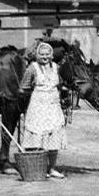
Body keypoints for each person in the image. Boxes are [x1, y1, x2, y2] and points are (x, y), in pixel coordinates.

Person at [19, 42, 67, 179]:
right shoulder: (32, 68)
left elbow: (61, 85)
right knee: (37, 137)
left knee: (54, 136)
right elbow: (24, 87)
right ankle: (38, 168)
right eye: (42, 54)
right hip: (38, 106)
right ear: (37, 55)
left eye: (47, 54)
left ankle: (51, 168)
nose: (45, 57)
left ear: (51, 55)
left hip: (53, 106)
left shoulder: (57, 68)